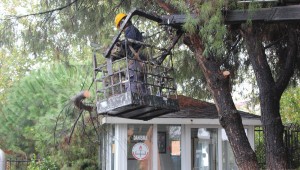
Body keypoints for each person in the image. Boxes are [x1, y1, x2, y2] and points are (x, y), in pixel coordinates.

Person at [114, 13, 147, 94]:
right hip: (139, 60)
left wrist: (120, 43)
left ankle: (132, 96)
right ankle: (144, 96)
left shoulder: (130, 29)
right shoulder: (133, 30)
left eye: (120, 25)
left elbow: (129, 40)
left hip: (136, 60)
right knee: (140, 80)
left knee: (132, 79)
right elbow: (127, 48)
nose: (121, 29)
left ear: (122, 22)